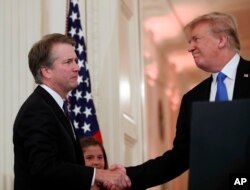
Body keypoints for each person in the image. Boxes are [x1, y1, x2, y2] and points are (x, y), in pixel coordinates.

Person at [123, 12, 250, 189]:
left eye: (195, 39)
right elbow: (179, 158)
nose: (190, 47)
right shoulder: (193, 98)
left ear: (221, 40)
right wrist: (127, 176)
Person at [13, 33, 131, 190]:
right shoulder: (37, 110)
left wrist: (100, 178)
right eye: (68, 62)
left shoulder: (55, 107)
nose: (77, 67)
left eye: (75, 60)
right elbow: (44, 167)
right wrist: (98, 174)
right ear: (46, 71)